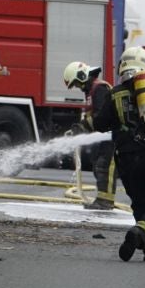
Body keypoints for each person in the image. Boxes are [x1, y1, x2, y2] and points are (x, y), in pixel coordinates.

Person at [92, 46, 145, 263]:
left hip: (127, 158)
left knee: (140, 202)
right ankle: (140, 232)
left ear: (122, 67)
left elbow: (100, 124)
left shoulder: (115, 94)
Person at [63, 60, 115, 210]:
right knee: (98, 164)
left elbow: (101, 116)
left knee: (105, 166)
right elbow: (92, 115)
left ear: (82, 76)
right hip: (103, 136)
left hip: (112, 135)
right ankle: (102, 199)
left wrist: (83, 126)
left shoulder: (100, 89)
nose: (78, 87)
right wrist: (79, 127)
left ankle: (105, 201)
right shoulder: (92, 90)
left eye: (77, 83)